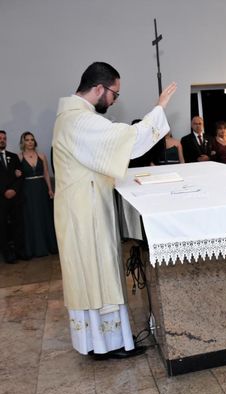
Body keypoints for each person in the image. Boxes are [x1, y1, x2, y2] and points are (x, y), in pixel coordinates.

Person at [52, 61, 176, 359]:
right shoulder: (80, 121)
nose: (115, 100)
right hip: (86, 213)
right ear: (99, 88)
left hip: (83, 206)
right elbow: (128, 141)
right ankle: (106, 345)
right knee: (96, 273)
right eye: (115, 94)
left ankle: (102, 341)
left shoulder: (70, 117)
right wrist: (158, 109)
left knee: (93, 274)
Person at [18, 132, 57, 257]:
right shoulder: (19, 157)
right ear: (23, 142)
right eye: (27, 140)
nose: (30, 142)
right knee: (31, 217)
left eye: (32, 140)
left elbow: (46, 173)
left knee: (44, 216)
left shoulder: (41, 155)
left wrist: (50, 189)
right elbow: (17, 176)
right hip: (28, 190)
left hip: (41, 188)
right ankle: (35, 249)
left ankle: (49, 246)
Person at [0, 130, 26, 263]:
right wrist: (5, 191)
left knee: (18, 225)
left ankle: (20, 251)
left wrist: (14, 190)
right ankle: (7, 254)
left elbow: (22, 175)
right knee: (3, 227)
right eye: (0, 138)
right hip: (1, 199)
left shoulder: (13, 156)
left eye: (4, 138)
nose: (2, 140)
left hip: (15, 197)